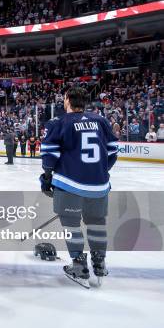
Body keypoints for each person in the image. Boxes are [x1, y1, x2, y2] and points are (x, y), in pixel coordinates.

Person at [39, 86, 118, 288]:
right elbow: (112, 151)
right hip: (99, 185)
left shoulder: (58, 122)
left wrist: (47, 177)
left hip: (69, 183)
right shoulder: (101, 121)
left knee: (71, 225)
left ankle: (78, 265)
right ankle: (99, 263)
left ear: (67, 100)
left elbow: (49, 153)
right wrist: (100, 171)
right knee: (96, 223)